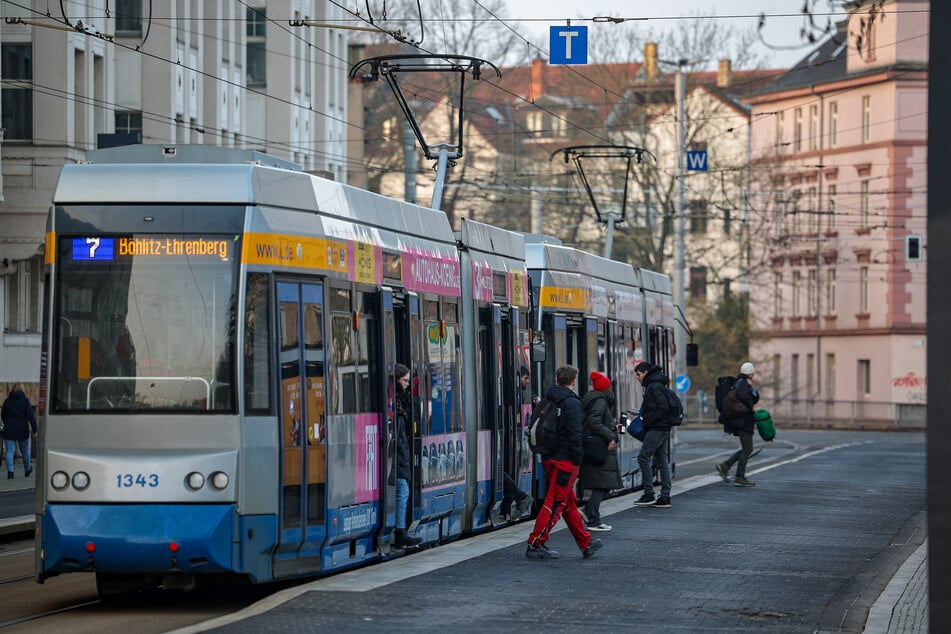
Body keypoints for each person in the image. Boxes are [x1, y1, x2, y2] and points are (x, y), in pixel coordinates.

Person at [525, 365, 603, 560]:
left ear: (558, 379)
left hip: (549, 458)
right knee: (555, 503)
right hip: (565, 461)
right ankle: (536, 542)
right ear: (573, 381)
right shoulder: (571, 403)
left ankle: (586, 543)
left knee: (569, 503)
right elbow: (575, 434)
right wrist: (578, 460)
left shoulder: (547, 399)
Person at [579, 371, 621, 531]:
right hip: (600, 447)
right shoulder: (600, 401)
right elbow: (594, 421)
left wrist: (611, 428)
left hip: (598, 446)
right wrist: (610, 435)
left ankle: (588, 512)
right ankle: (593, 519)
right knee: (603, 485)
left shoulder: (596, 399)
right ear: (606, 388)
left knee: (605, 484)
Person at [632, 362, 673, 508]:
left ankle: (649, 493)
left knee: (643, 457)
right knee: (662, 461)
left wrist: (648, 419)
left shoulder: (653, 386)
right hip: (663, 428)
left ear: (645, 372)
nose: (637, 378)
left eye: (638, 374)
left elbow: (662, 407)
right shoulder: (657, 384)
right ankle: (665, 497)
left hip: (657, 428)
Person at [716, 362, 761, 487]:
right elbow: (745, 398)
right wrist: (750, 405)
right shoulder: (743, 383)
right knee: (748, 448)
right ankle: (739, 476)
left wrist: (753, 391)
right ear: (751, 373)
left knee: (747, 448)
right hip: (743, 422)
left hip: (741, 421)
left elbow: (753, 398)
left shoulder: (740, 382)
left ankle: (726, 466)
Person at [392, 364, 422, 547]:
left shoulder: (400, 403)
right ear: (396, 381)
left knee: (402, 490)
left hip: (400, 456)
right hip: (397, 457)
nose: (408, 385)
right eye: (405, 381)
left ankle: (400, 529)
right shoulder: (394, 404)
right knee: (402, 490)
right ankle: (399, 531)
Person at [500, 366, 535, 519]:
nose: (526, 382)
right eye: (525, 378)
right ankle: (518, 498)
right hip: (507, 436)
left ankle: (518, 498)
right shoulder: (512, 392)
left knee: (499, 471)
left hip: (508, 437)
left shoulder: (513, 392)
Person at [2, 384, 37, 479]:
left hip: (9, 429)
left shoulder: (7, 401)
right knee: (25, 450)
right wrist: (35, 430)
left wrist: (7, 423)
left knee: (10, 451)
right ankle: (27, 469)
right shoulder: (25, 401)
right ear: (22, 390)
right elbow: (31, 416)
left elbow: (3, 415)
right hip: (22, 429)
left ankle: (10, 472)